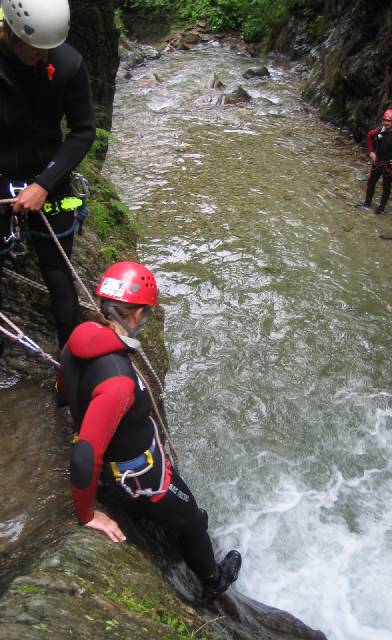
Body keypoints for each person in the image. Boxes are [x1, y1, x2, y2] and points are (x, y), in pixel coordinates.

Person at [60, 261, 242, 599]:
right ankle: (213, 582)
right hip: (136, 479)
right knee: (194, 520)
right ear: (137, 313)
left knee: (185, 511)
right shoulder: (117, 381)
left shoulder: (80, 336)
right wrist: (87, 515)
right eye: (146, 313)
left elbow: (63, 384)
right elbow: (85, 456)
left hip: (124, 464)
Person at [0, 0, 96, 356]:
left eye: (48, 50)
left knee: (59, 274)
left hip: (49, 175)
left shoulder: (67, 63)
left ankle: (71, 367)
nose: (43, 58)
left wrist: (45, 182)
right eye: (35, 50)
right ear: (10, 32)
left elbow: (83, 131)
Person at [357, 109, 392, 214]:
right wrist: (371, 152)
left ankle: (381, 208)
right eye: (385, 120)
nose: (386, 123)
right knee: (371, 183)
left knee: (386, 187)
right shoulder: (379, 130)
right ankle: (367, 203)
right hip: (377, 161)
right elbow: (369, 135)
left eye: (389, 121)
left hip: (389, 165)